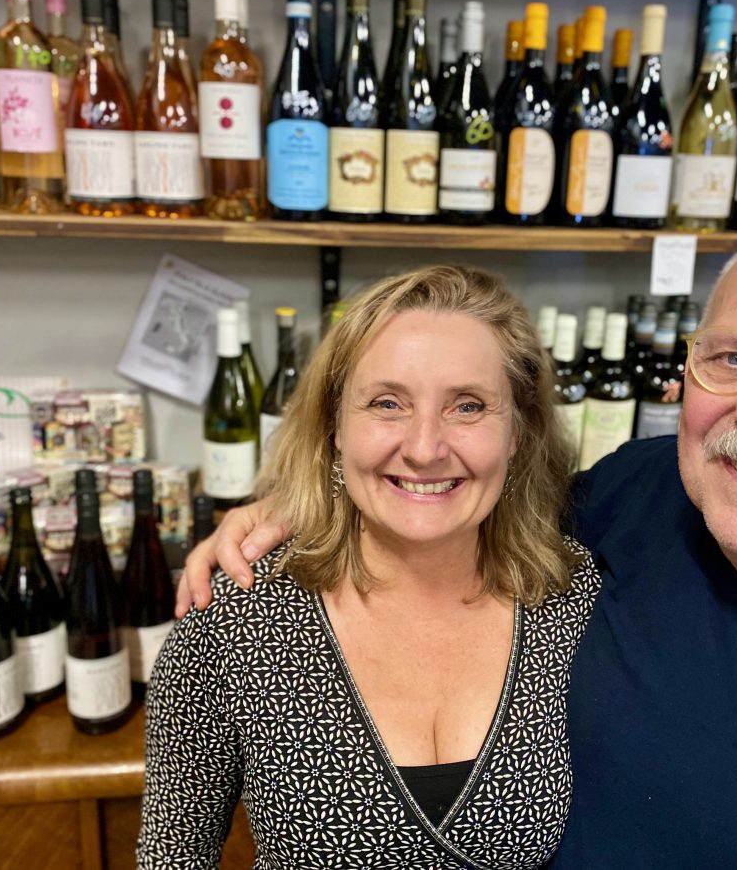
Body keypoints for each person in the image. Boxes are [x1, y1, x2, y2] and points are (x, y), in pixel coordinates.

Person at [179, 223, 737, 867]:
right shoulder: (635, 499)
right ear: (687, 372)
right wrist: (294, 506)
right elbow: (442, 496)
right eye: (733, 359)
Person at [137, 266, 600, 868]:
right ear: (334, 425)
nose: (425, 447)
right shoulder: (234, 621)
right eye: (387, 403)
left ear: (517, 431)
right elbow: (172, 859)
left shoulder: (574, 598)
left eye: (468, 406)